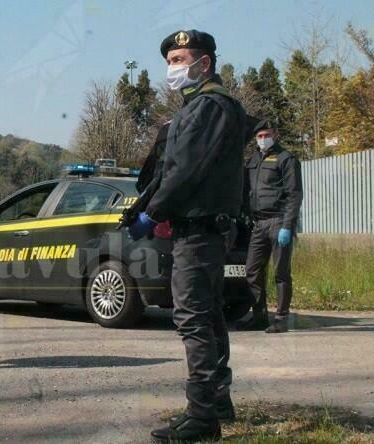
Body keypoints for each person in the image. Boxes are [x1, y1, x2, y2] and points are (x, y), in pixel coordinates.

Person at [128, 29, 246, 442]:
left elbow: (184, 171)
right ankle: (218, 401)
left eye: (180, 59)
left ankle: (202, 416)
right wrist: (142, 205)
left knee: (192, 319)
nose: (172, 68)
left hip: (197, 231)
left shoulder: (209, 107)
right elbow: (168, 167)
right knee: (210, 315)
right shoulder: (201, 107)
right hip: (204, 229)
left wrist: (154, 212)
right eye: (170, 60)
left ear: (205, 63)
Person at [241, 120, 303, 333]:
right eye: (259, 136)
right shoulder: (253, 160)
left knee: (281, 272)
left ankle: (281, 318)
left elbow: (294, 194)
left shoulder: (286, 159)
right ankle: (259, 315)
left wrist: (288, 225)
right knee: (252, 270)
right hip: (258, 223)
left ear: (275, 135)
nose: (262, 139)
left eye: (266, 135)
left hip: (279, 221)